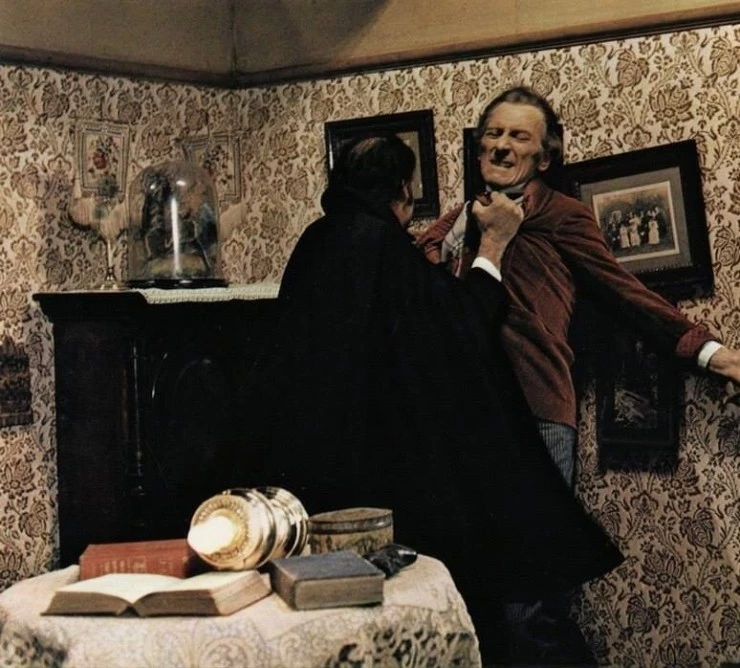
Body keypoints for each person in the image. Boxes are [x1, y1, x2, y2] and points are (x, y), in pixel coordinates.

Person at [242, 134, 623, 664]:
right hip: (389, 471)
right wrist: (493, 247)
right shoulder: (380, 243)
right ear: (403, 189)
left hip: (314, 473)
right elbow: (463, 325)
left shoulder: (318, 240)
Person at [415, 85, 740, 661]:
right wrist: (455, 240)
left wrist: (713, 353)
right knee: (471, 590)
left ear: (544, 158)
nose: (502, 145)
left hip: (536, 413)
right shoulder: (464, 219)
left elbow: (626, 292)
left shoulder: (562, 216)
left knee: (529, 599)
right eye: (493, 133)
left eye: (519, 136)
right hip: (466, 417)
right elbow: (418, 271)